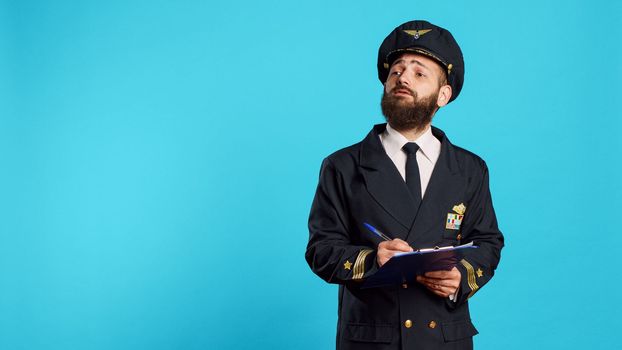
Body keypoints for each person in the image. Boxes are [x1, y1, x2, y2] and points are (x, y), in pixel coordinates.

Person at [305, 20, 504, 350]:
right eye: (396, 70)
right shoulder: (342, 166)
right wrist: (373, 258)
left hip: (444, 338)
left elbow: (487, 241)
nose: (403, 77)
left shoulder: (470, 169)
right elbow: (320, 250)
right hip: (372, 340)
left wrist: (460, 278)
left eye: (419, 72)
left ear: (443, 95)